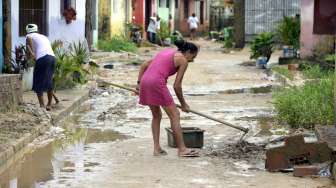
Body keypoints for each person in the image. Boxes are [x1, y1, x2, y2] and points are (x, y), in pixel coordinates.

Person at [137, 40, 200, 157]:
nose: (192, 60)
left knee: (156, 116)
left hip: (145, 81)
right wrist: (184, 104)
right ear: (188, 52)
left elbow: (144, 65)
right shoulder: (183, 60)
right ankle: (182, 149)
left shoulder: (166, 52)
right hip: (157, 83)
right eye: (193, 56)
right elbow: (177, 86)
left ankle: (157, 149)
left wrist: (139, 84)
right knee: (175, 115)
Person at [25, 24, 57, 111]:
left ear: (27, 31)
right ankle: (49, 104)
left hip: (42, 58)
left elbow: (30, 49)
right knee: (49, 81)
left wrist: (28, 58)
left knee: (38, 81)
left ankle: (42, 105)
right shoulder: (43, 36)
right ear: (37, 30)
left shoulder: (28, 36)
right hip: (52, 58)